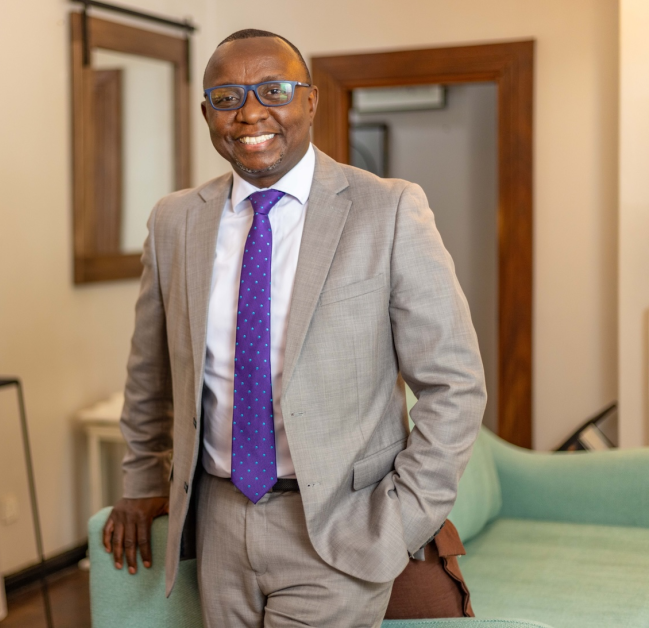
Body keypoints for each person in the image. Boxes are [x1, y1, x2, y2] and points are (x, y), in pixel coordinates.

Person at [102, 28, 487, 628]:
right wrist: (140, 481)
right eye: (227, 97)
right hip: (220, 521)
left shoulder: (388, 209)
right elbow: (150, 372)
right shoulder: (175, 220)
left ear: (309, 101)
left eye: (274, 90)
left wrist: (404, 516)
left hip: (340, 526)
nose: (251, 111)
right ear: (207, 113)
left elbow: (455, 383)